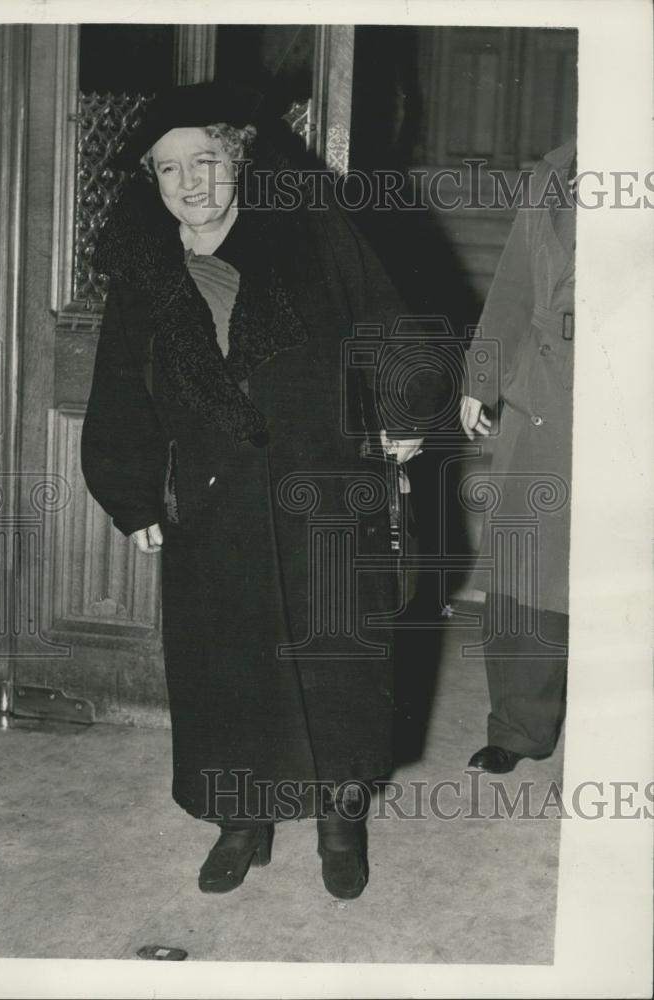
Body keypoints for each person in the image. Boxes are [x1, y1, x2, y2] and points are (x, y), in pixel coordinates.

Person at [81, 83, 450, 897]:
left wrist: (403, 409)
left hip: (323, 488)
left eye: (205, 161)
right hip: (214, 505)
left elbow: (388, 324)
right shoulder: (145, 269)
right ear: (152, 178)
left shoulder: (310, 235)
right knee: (226, 671)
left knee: (336, 668)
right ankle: (241, 820)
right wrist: (133, 495)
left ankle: (339, 825)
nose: (189, 183)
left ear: (238, 161)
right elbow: (120, 389)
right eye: (169, 168)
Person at [461, 138, 576, 774]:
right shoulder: (555, 170)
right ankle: (518, 727)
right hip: (544, 388)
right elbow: (510, 287)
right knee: (525, 559)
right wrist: (482, 377)